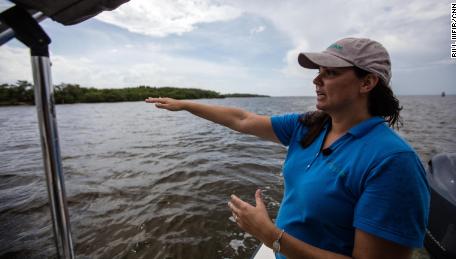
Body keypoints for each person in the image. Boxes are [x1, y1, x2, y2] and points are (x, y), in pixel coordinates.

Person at [145, 37, 430, 259]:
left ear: (367, 82)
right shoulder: (308, 126)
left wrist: (270, 235)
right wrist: (184, 105)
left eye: (330, 72)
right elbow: (242, 119)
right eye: (319, 71)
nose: (316, 80)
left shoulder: (392, 162)